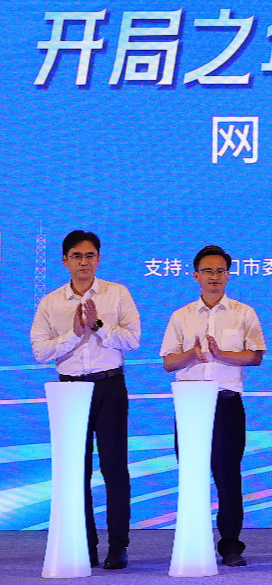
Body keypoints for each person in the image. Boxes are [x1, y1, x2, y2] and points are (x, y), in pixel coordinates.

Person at [31, 230, 141, 570]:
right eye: (77, 256)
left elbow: (133, 340)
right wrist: (74, 334)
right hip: (70, 390)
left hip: (110, 386)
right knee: (76, 470)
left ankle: (118, 546)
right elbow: (40, 351)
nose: (84, 262)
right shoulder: (51, 302)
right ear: (65, 260)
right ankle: (85, 544)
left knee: (114, 468)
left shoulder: (116, 293)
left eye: (90, 255)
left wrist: (98, 325)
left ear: (99, 259)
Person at [160, 245, 265, 567]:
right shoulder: (181, 316)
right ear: (196, 276)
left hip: (226, 402)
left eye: (220, 271)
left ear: (228, 276)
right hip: (191, 404)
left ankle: (231, 545)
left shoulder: (243, 313)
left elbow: (255, 356)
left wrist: (221, 356)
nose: (214, 276)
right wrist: (192, 355)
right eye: (208, 271)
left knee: (228, 475)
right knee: (191, 474)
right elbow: (168, 362)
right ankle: (194, 540)